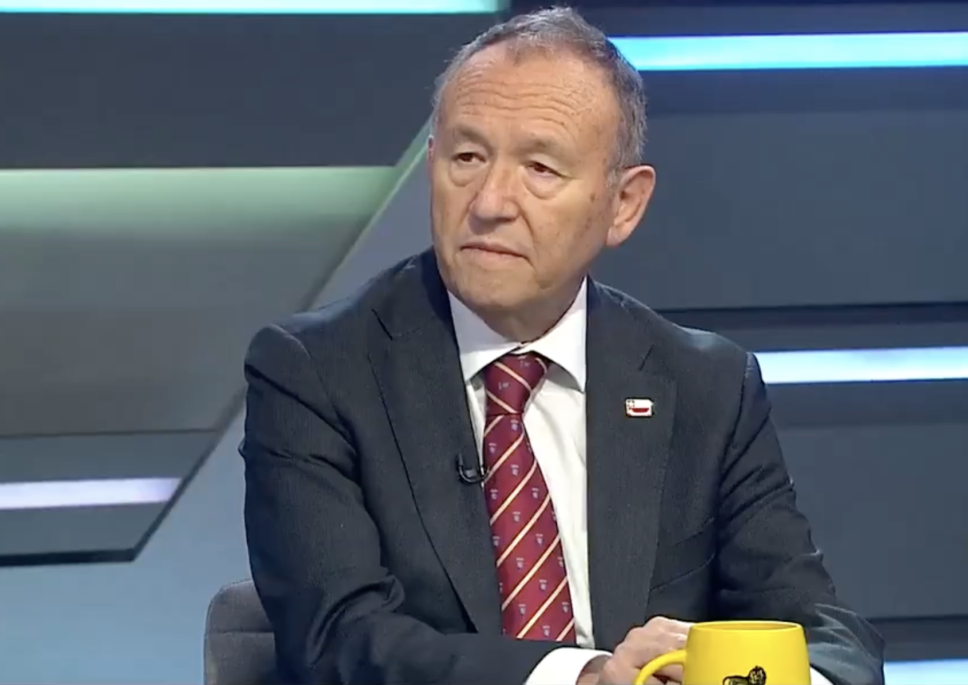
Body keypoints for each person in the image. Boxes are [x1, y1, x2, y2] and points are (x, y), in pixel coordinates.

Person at [239, 7, 884, 685]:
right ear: (431, 164)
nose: (489, 202)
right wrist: (585, 677)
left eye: (541, 168)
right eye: (466, 157)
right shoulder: (316, 372)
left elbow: (820, 631)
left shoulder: (706, 386)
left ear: (623, 204)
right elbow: (337, 639)